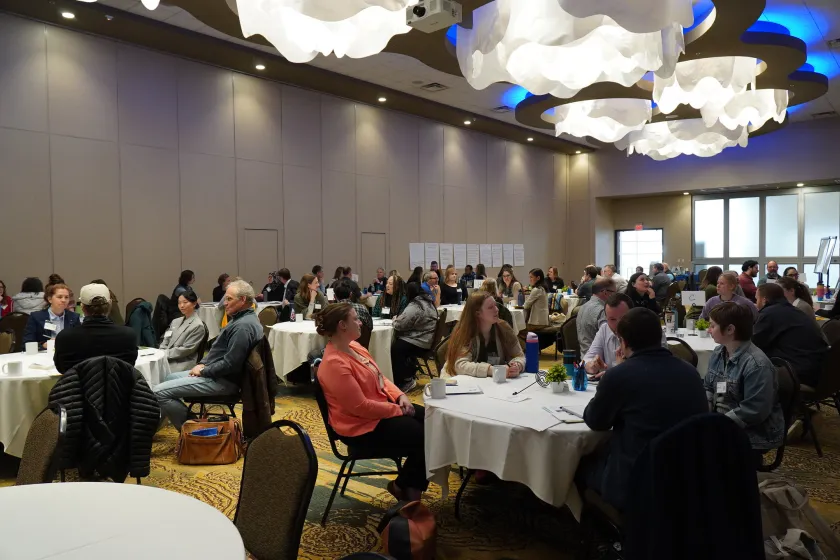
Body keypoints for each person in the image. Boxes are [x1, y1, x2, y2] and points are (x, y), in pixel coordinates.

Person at [578, 307, 707, 511]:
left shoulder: (620, 376)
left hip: (637, 482)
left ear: (623, 342)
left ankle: (589, 526)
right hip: (686, 477)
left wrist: (617, 372)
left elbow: (595, 421)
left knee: (579, 464)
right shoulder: (691, 372)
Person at [315, 303, 427, 501]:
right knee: (425, 435)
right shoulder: (334, 364)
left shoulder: (355, 347)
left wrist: (400, 396)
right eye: (355, 319)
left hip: (378, 412)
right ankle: (410, 494)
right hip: (359, 427)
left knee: (434, 421)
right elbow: (360, 407)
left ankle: (403, 486)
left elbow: (380, 378)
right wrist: (398, 410)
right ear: (342, 325)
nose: (360, 323)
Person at [154, 279, 262, 431]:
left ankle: (196, 431)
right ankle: (162, 424)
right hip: (217, 374)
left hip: (223, 381)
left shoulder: (242, 327)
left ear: (243, 299)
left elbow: (231, 365)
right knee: (169, 378)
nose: (224, 303)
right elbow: (218, 353)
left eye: (229, 299)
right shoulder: (242, 319)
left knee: (158, 392)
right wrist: (202, 364)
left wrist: (204, 371)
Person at [705, 302, 784, 458]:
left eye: (712, 326)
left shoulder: (756, 365)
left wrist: (715, 426)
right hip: (724, 422)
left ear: (730, 329)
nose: (709, 330)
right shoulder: (719, 352)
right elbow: (709, 387)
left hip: (753, 434)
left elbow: (754, 411)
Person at [753, 283, 827, 387]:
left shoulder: (769, 313)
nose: (756, 303)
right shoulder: (793, 310)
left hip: (796, 371)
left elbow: (754, 342)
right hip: (817, 367)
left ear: (764, 300)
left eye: (757, 299)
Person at [53, 284, 138, 374]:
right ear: (110, 304)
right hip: (117, 383)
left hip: (79, 383)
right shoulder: (128, 336)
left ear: (82, 307)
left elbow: (61, 368)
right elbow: (130, 365)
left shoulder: (65, 338)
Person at [442, 291, 525, 378]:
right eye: (490, 307)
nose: (497, 309)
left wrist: (517, 366)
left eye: (495, 305)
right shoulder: (464, 332)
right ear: (477, 313)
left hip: (492, 383)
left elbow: (519, 356)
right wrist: (491, 370)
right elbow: (460, 365)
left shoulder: (504, 328)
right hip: (458, 381)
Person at [391, 282, 439, 392]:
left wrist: (394, 320)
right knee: (399, 345)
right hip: (426, 338)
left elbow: (400, 325)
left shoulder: (416, 305)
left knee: (396, 348)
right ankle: (407, 374)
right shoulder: (428, 301)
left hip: (419, 340)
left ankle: (405, 380)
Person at [584, 293, 634, 378]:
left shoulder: (642, 332)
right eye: (612, 319)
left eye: (623, 318)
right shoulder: (605, 329)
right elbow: (586, 360)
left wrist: (614, 374)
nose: (618, 324)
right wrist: (592, 365)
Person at [159, 291, 206, 371]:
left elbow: (186, 349)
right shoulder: (175, 321)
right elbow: (166, 338)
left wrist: (164, 354)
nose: (182, 306)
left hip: (182, 361)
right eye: (179, 303)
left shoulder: (198, 325)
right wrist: (161, 350)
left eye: (185, 302)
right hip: (166, 356)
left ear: (194, 304)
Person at [23, 283, 81, 348]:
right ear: (50, 299)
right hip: (45, 353)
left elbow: (79, 341)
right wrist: (43, 345)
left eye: (66, 297)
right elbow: (26, 343)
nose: (63, 300)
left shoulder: (74, 317)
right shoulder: (36, 317)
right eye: (59, 297)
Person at [576, 278, 616, 356]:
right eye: (614, 292)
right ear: (605, 293)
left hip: (584, 355)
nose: (615, 296)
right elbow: (608, 340)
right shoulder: (602, 311)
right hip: (599, 359)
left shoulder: (582, 307)